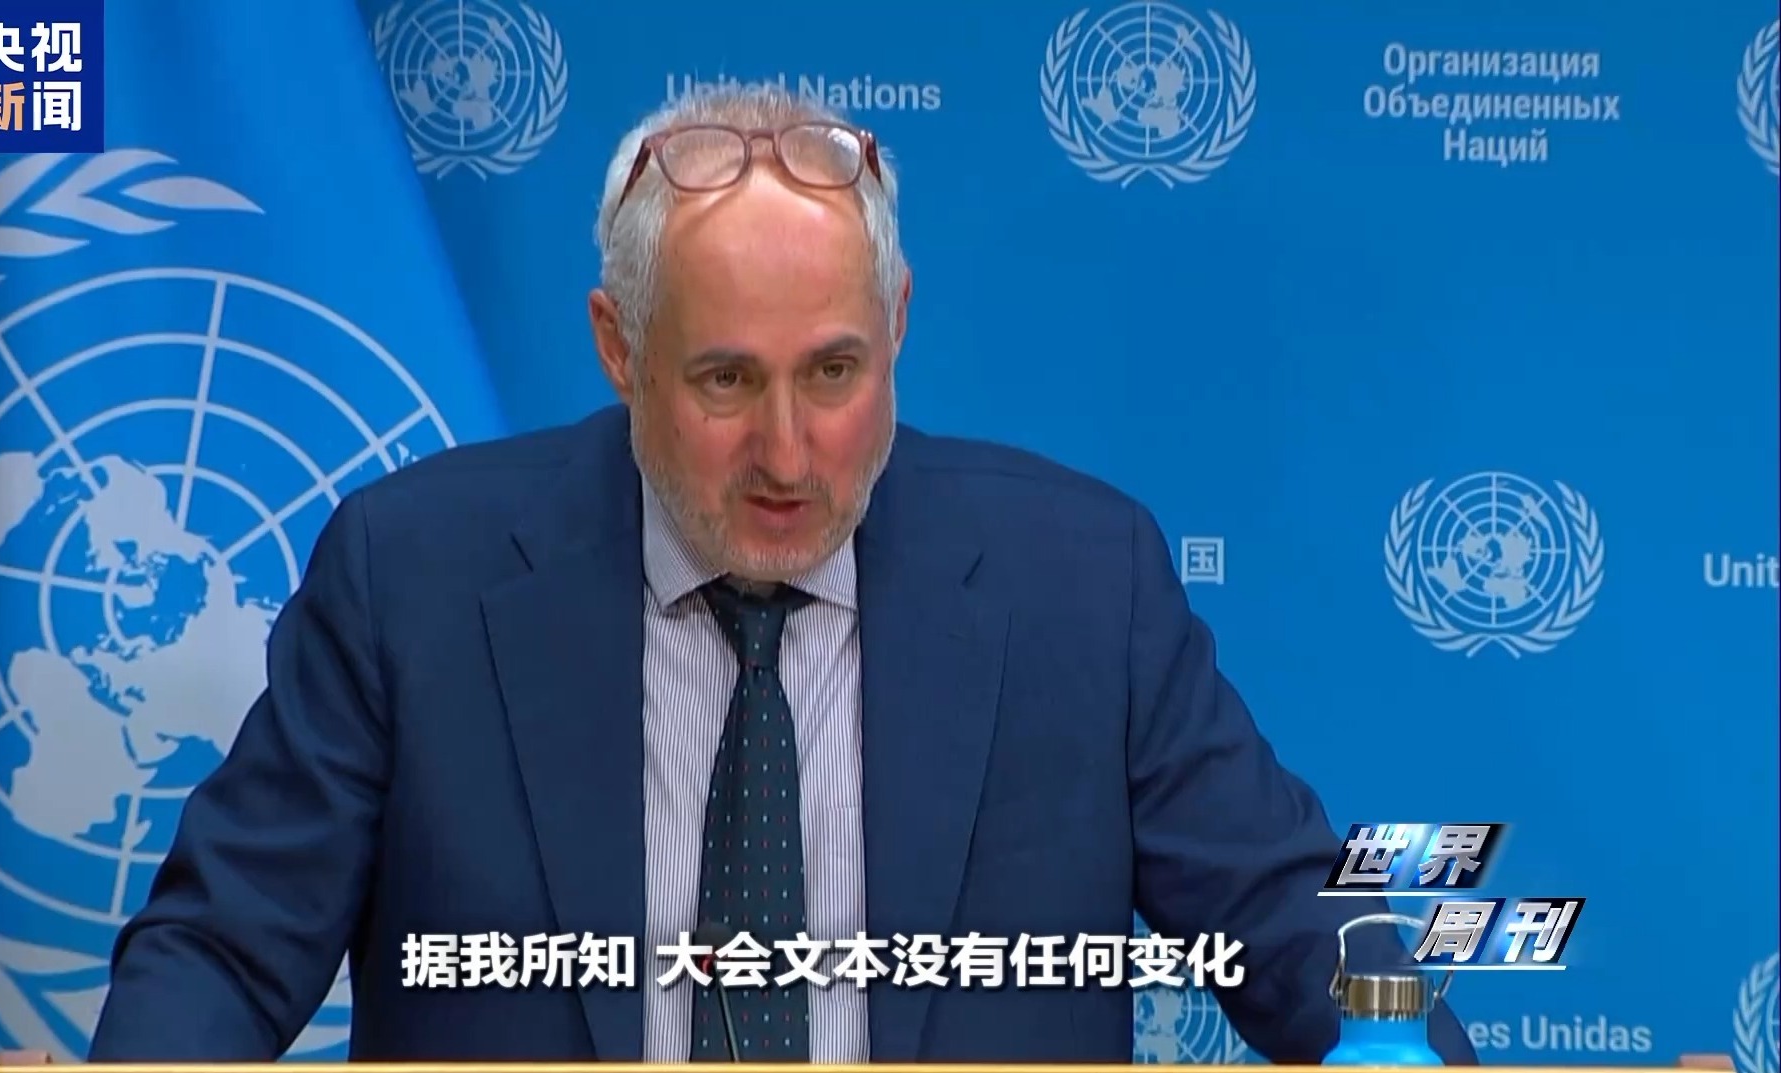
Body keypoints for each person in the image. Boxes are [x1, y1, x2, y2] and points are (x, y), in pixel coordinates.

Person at [89, 86, 1477, 1065]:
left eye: (833, 372)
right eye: (724, 381)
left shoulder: (1081, 583)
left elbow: (1299, 916)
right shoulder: (414, 578)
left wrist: (1397, 1049)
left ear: (898, 324)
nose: (788, 453)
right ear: (618, 347)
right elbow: (221, 951)